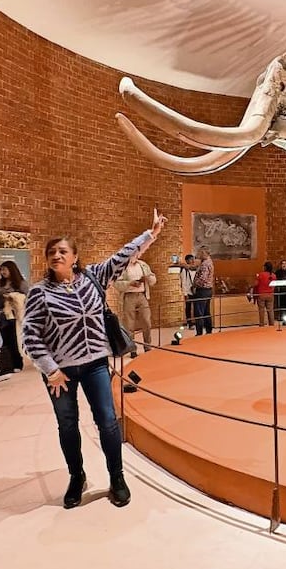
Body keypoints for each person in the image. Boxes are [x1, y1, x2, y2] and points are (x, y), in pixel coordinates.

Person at [22, 208, 167, 509]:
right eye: (51, 252)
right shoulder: (40, 292)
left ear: (75, 257)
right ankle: (77, 477)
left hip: (95, 364)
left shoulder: (93, 278)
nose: (56, 255)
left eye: (62, 251)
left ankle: (117, 477)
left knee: (107, 421)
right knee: (68, 425)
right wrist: (50, 370)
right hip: (59, 373)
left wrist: (150, 235)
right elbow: (30, 337)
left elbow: (122, 257)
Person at [115, 251, 156, 357]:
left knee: (146, 321)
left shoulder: (143, 265)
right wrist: (130, 283)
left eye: (137, 254)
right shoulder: (123, 267)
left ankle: (147, 346)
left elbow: (152, 278)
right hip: (129, 296)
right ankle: (132, 349)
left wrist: (148, 278)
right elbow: (117, 283)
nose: (135, 256)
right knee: (129, 324)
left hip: (142, 295)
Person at [0, 261, 30, 372]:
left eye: (5, 269)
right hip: (2, 315)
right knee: (3, 340)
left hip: (14, 316)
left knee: (13, 340)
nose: (3, 272)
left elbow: (28, 297)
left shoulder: (20, 283)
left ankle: (17, 363)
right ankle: (6, 364)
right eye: (1, 270)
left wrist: (14, 297)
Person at [192, 248, 215, 336]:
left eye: (200, 253)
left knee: (199, 312)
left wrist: (194, 285)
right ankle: (209, 330)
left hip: (202, 290)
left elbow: (203, 278)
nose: (198, 254)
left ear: (204, 253)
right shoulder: (209, 262)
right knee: (206, 311)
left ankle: (199, 332)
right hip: (208, 290)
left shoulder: (205, 264)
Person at [250, 261, 275, 326]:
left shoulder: (261, 274)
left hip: (261, 294)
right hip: (270, 294)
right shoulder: (273, 275)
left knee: (261, 310)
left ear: (265, 267)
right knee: (270, 310)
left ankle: (262, 324)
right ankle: (272, 324)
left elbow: (256, 284)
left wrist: (250, 286)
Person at [273, 259, 286, 324]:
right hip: (280, 291)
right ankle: (280, 317)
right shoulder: (277, 272)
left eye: (285, 264)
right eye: (282, 264)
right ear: (281, 265)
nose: (284, 265)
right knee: (280, 305)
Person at [180, 254, 197, 329]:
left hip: (196, 291)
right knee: (188, 308)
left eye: (193, 259)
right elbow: (183, 282)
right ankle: (190, 323)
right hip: (189, 292)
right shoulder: (184, 270)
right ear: (187, 261)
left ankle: (197, 322)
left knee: (197, 308)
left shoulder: (196, 269)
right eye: (191, 259)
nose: (193, 261)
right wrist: (185, 293)